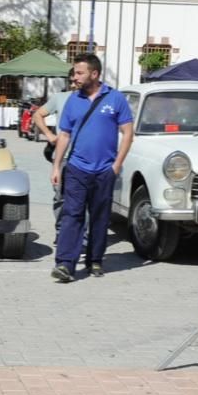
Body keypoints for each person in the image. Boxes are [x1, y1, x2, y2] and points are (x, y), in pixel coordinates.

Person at [50, 53, 134, 282]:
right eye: (74, 73)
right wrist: (57, 166)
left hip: (105, 170)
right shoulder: (72, 100)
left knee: (100, 217)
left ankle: (95, 259)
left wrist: (116, 165)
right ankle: (65, 264)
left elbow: (128, 133)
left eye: (79, 73)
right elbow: (64, 134)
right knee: (72, 215)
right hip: (77, 168)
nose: (74, 77)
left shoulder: (115, 98)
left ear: (94, 74)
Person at [33, 69, 79, 234]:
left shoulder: (93, 100)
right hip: (63, 157)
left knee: (82, 198)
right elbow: (37, 115)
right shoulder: (60, 98)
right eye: (71, 81)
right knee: (60, 196)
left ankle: (82, 236)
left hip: (83, 158)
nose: (74, 85)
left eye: (77, 80)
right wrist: (49, 135)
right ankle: (61, 231)